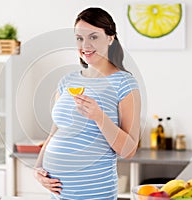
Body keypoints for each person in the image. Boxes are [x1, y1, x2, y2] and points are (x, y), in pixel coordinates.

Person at [34, 7, 141, 200]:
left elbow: (129, 150)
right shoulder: (67, 82)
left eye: (93, 37)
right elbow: (55, 132)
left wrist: (99, 117)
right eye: (79, 38)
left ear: (110, 38)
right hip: (58, 195)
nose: (85, 45)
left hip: (95, 194)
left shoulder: (124, 83)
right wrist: (38, 169)